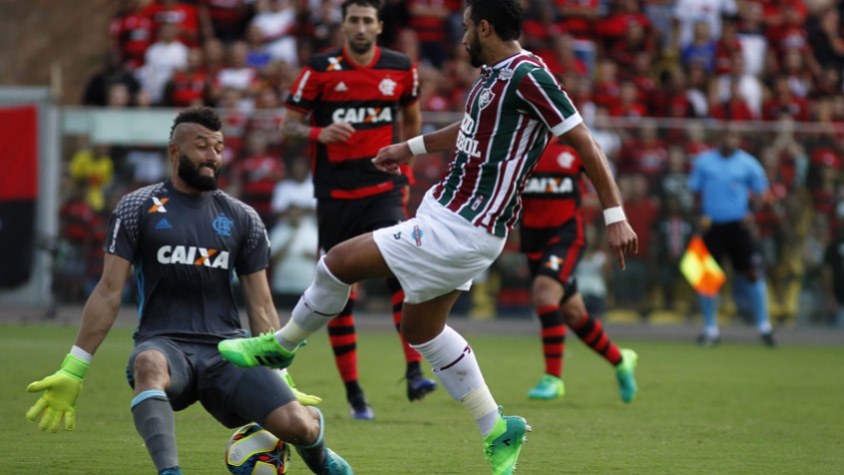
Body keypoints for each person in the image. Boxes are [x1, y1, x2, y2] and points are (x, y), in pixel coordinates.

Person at [218, 1, 638, 472]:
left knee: (337, 262)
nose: (461, 39)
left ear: (484, 27)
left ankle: (281, 346)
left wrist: (615, 215)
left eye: (465, 29)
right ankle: (497, 428)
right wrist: (408, 146)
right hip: (454, 217)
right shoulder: (494, 76)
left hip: (464, 225)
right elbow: (471, 130)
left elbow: (585, 141)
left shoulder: (528, 74)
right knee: (420, 328)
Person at [24, 107, 352, 475]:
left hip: (228, 348)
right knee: (147, 365)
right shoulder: (136, 207)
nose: (212, 155)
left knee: (299, 426)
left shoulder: (244, 218)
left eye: (219, 146)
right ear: (175, 152)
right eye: (202, 146)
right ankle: (170, 472)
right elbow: (107, 292)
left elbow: (260, 305)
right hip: (164, 344)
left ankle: (321, 457)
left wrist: (281, 375)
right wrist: (74, 369)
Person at [276, 0, 437, 420]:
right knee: (338, 291)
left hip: (384, 187)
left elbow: (413, 113)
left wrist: (408, 160)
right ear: (344, 26)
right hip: (335, 194)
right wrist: (318, 131)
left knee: (402, 268)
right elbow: (287, 125)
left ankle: (415, 370)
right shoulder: (321, 68)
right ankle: (354, 395)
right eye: (354, 20)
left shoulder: (401, 67)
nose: (361, 27)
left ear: (380, 26)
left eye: (368, 20)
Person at [520, 138, 638, 402]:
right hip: (532, 239)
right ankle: (621, 360)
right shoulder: (520, 142)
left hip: (566, 236)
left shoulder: (575, 142)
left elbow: (606, 181)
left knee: (544, 295)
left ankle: (553, 378)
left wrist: (614, 218)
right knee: (573, 314)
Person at [688, 126, 775, 346]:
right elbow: (694, 193)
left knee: (752, 273)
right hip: (712, 226)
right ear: (718, 139)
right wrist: (698, 216)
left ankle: (764, 327)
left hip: (738, 226)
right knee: (707, 278)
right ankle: (710, 329)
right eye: (725, 136)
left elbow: (762, 193)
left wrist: (751, 214)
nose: (729, 140)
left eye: (733, 136)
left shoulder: (748, 163)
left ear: (738, 139)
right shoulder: (704, 161)